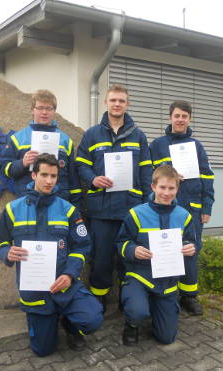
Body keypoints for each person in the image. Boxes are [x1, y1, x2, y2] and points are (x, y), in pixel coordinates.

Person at [0, 153, 103, 357]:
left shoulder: (68, 210)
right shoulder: (13, 209)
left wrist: (69, 274)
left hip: (65, 285)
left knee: (93, 319)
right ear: (33, 175)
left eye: (54, 176)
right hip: (35, 291)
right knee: (43, 351)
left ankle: (69, 324)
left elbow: (82, 246)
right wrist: (7, 252)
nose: (49, 181)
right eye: (44, 175)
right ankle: (48, 321)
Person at [76, 84, 153, 311]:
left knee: (128, 258)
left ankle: (128, 298)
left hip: (131, 208)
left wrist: (146, 204)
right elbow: (81, 163)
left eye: (121, 100)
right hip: (101, 209)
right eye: (113, 100)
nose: (117, 104)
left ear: (127, 104)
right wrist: (93, 179)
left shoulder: (138, 136)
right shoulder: (92, 134)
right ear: (106, 103)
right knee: (101, 258)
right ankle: (99, 297)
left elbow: (146, 170)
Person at [116, 165, 197, 345]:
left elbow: (191, 241)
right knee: (137, 311)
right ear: (153, 187)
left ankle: (154, 306)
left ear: (177, 188)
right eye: (162, 187)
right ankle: (132, 323)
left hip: (166, 282)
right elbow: (121, 243)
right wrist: (133, 250)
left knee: (166, 338)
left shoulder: (184, 216)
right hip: (140, 276)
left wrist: (190, 248)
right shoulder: (136, 213)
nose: (166, 193)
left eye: (171, 188)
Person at [149, 100, 215, 315]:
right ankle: (165, 294)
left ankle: (189, 296)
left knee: (191, 252)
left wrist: (207, 207)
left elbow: (207, 177)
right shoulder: (157, 145)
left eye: (184, 116)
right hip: (164, 208)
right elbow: (148, 176)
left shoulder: (197, 146)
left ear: (189, 119)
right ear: (170, 117)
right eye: (176, 115)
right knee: (164, 249)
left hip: (192, 209)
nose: (180, 119)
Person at [0, 89, 81, 206]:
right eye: (40, 108)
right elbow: (4, 169)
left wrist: (76, 208)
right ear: (32, 110)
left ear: (54, 111)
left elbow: (73, 178)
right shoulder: (17, 139)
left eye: (49, 108)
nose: (44, 112)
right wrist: (22, 163)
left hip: (59, 202)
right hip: (28, 202)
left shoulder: (65, 140)